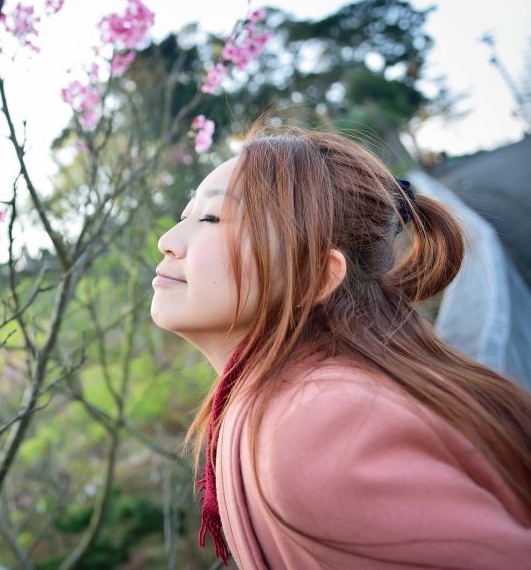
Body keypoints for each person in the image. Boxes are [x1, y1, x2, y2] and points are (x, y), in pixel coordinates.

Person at [151, 125, 531, 569]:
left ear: (313, 275)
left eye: (212, 219)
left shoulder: (320, 423)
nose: (168, 241)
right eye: (186, 213)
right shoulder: (283, 404)